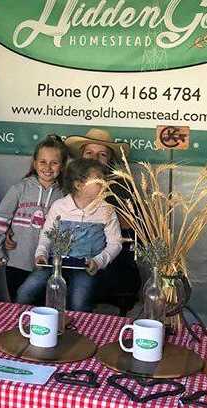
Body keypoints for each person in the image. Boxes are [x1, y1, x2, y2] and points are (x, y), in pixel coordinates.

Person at [15, 158, 121, 312]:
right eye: (98, 181)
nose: (105, 184)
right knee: (25, 292)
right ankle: (23, 324)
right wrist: (41, 254)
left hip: (86, 266)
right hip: (55, 263)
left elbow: (115, 243)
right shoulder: (59, 207)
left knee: (79, 303)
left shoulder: (106, 210)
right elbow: (47, 234)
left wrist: (98, 262)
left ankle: (76, 333)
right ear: (79, 185)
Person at [65, 128, 141, 310]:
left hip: (112, 258)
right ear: (81, 156)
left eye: (102, 154)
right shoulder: (70, 182)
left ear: (110, 160)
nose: (94, 158)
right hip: (74, 255)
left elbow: (131, 226)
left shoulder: (122, 184)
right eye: (89, 153)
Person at [0, 135, 68, 301]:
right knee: (18, 302)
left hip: (48, 263)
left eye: (54, 162)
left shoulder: (65, 195)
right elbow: (1, 219)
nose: (48, 167)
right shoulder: (20, 188)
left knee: (43, 305)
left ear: (62, 166)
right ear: (34, 163)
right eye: (42, 161)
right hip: (17, 259)